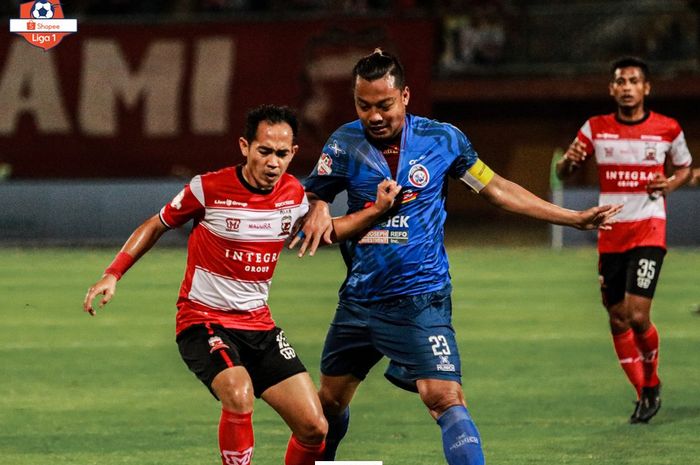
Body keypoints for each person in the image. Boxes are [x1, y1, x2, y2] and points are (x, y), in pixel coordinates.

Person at [290, 49, 621, 465]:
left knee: (444, 397)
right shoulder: (343, 142)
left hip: (420, 298)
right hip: (358, 300)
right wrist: (317, 202)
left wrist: (571, 217)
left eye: (384, 105)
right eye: (364, 105)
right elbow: (310, 193)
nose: (374, 116)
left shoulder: (442, 139)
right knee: (328, 406)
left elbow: (496, 188)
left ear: (406, 96)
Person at [83, 104, 401, 465]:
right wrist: (113, 273)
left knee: (315, 427)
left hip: (259, 328)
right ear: (244, 146)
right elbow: (156, 224)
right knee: (239, 392)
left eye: (282, 154)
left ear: (293, 153)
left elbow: (326, 232)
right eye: (264, 150)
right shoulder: (208, 189)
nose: (272, 162)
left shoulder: (293, 195)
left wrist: (376, 210)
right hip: (203, 321)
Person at [556, 57, 692, 424]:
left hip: (649, 227)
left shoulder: (667, 128)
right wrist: (569, 161)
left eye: (634, 81)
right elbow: (563, 170)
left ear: (646, 88)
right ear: (612, 88)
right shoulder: (595, 128)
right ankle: (645, 391)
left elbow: (685, 169)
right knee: (617, 319)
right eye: (621, 81)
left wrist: (671, 183)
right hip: (612, 231)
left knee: (636, 314)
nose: (627, 87)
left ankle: (650, 383)